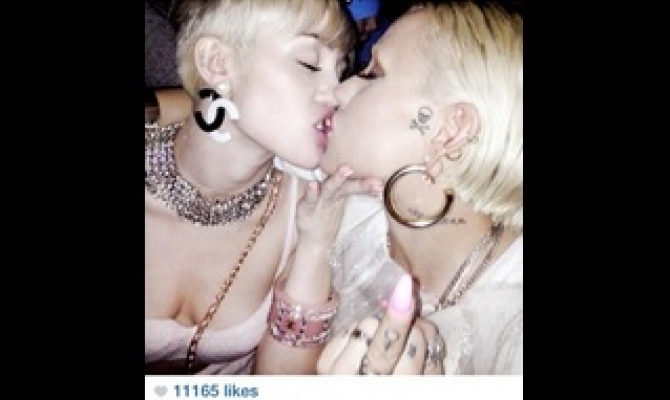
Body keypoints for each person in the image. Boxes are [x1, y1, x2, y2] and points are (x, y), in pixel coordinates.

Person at [144, 0, 379, 375]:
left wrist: (315, 247)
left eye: (340, 69)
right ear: (217, 63)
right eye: (309, 63)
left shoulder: (318, 204)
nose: (336, 92)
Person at [302, 1, 523, 374]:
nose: (339, 91)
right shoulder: (338, 210)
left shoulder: (511, 317)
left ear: (451, 131)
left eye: (374, 73)